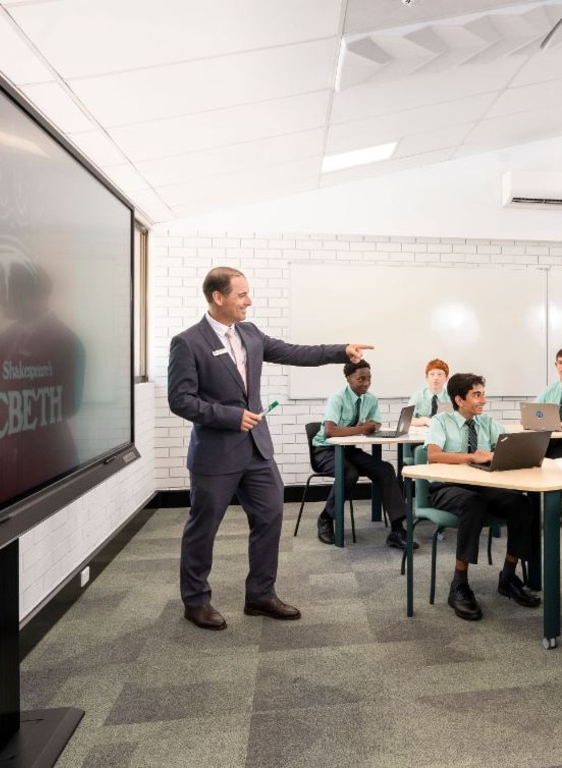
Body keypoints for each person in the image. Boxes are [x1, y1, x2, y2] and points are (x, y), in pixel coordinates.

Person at [168, 266, 371, 631]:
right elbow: (180, 401)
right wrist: (230, 416)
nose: (249, 300)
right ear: (219, 297)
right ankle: (196, 601)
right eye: (241, 294)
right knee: (204, 527)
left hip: (257, 451)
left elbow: (294, 352)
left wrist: (341, 351)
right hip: (216, 455)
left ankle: (260, 595)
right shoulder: (189, 342)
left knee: (270, 516)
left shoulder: (249, 332)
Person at [425, 372, 541, 621]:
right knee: (473, 504)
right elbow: (433, 455)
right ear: (459, 399)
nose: (483, 400)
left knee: (521, 503)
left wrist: (510, 452)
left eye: (483, 394)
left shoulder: (487, 422)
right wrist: (471, 457)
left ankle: (508, 577)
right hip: (447, 487)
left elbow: (508, 445)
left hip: (482, 484)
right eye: (476, 395)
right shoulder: (441, 421)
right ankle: (459, 584)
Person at [310, 360, 416, 549]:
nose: (366, 383)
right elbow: (330, 431)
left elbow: (374, 423)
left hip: (348, 449)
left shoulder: (371, 399)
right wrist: (362, 427)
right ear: (349, 378)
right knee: (349, 473)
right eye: (361, 379)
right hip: (325, 450)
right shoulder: (338, 398)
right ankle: (326, 518)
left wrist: (373, 427)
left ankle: (397, 529)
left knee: (385, 469)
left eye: (369, 378)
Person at [409, 358, 449, 427]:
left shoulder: (450, 397)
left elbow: (452, 421)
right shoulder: (418, 396)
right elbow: (407, 420)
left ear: (446, 378)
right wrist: (425, 420)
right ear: (426, 377)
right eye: (432, 374)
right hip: (420, 435)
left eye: (439, 374)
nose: (435, 378)